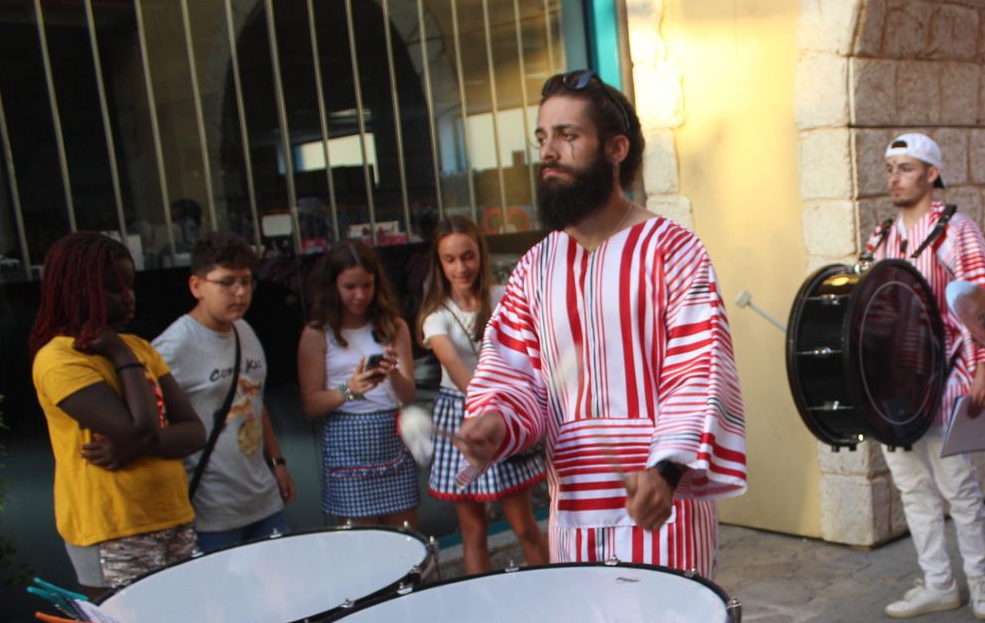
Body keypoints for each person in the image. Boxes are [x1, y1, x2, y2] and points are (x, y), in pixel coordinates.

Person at [457, 70, 745, 578]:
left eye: (568, 136)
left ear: (616, 149)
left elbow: (699, 371)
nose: (549, 151)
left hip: (662, 514)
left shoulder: (673, 251)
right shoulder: (534, 268)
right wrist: (495, 421)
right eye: (543, 138)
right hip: (572, 521)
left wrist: (667, 468)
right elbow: (515, 376)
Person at [864, 133, 985, 621]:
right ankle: (939, 584)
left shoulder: (957, 230)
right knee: (913, 489)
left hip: (947, 376)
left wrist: (984, 368)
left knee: (959, 488)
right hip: (894, 387)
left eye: (905, 168)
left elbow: (983, 300)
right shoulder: (880, 236)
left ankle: (981, 582)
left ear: (931, 174)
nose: (894, 177)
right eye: (891, 168)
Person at [30, 232, 205, 591]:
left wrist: (138, 441)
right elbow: (139, 429)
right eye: (113, 288)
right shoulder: (58, 359)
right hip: (113, 529)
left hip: (172, 514)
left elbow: (193, 432)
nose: (128, 297)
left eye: (130, 285)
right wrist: (123, 359)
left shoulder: (139, 346)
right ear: (76, 290)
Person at [418, 216, 549, 572]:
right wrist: (483, 402)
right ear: (439, 263)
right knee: (472, 530)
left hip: (503, 410)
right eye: (450, 259)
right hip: (461, 412)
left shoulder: (501, 296)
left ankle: (554, 592)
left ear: (480, 254)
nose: (461, 267)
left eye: (468, 256)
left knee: (524, 525)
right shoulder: (437, 314)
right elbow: (450, 361)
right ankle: (486, 612)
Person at [152, 231, 295, 552]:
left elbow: (255, 400)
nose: (240, 292)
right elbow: (153, 426)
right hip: (212, 510)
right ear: (196, 286)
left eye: (246, 281)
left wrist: (277, 461)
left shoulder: (244, 329)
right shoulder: (172, 347)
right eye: (227, 282)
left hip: (264, 498)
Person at [296, 239, 419, 527]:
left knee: (407, 541)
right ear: (332, 286)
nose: (360, 295)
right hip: (346, 441)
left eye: (367, 285)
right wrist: (348, 390)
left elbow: (409, 395)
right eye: (349, 287)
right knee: (363, 549)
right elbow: (311, 405)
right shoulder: (317, 333)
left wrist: (392, 374)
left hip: (392, 437)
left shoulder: (394, 326)